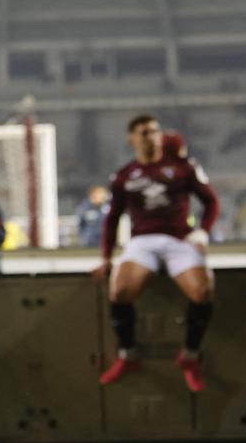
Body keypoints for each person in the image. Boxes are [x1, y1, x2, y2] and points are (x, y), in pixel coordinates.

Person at [94, 114, 220, 393]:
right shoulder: (124, 175)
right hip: (142, 241)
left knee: (203, 291)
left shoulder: (184, 167)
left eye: (155, 131)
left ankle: (189, 356)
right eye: (144, 132)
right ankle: (128, 355)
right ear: (132, 139)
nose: (151, 136)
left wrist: (202, 231)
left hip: (179, 239)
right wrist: (106, 257)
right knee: (119, 291)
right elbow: (112, 219)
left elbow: (211, 202)